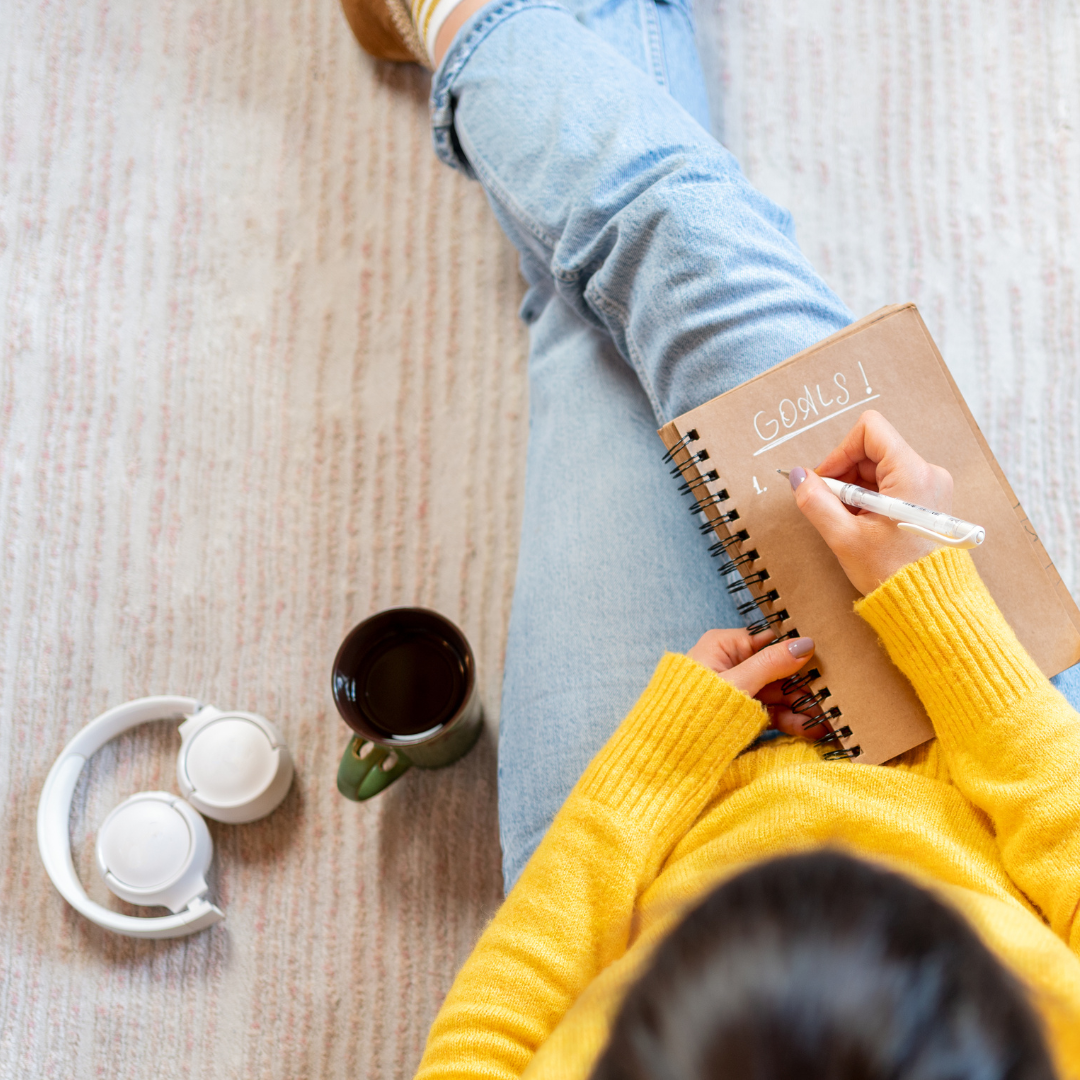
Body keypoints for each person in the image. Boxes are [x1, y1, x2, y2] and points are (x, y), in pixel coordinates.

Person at [338, 0, 1080, 1076]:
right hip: (968, 764)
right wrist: (939, 613)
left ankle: (481, 17)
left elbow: (484, 1047)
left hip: (637, 826)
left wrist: (653, 766)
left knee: (592, 312)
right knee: (664, 254)